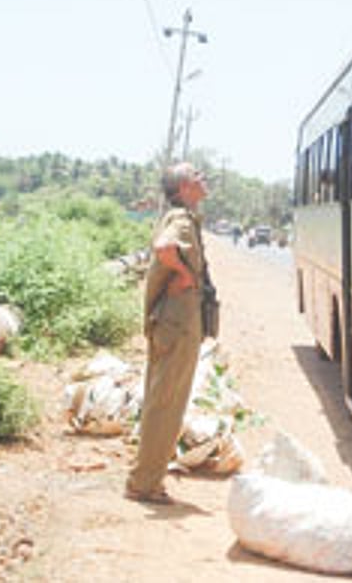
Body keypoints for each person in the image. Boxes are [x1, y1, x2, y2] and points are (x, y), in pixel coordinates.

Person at [125, 162, 210, 504]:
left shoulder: (182, 216)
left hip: (173, 322)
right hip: (177, 322)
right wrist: (184, 274)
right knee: (166, 403)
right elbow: (164, 247)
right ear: (186, 185)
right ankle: (144, 484)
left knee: (164, 399)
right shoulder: (180, 220)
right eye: (198, 176)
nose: (204, 180)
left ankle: (147, 476)